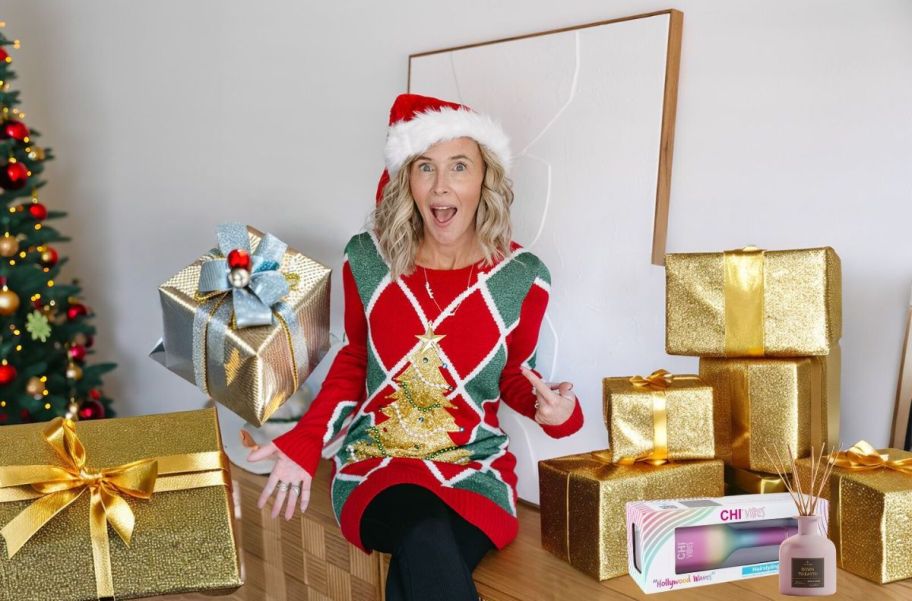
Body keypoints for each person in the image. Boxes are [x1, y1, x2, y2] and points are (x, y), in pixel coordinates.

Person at [248, 93, 584, 601]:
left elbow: (515, 375)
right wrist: (305, 441)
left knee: (424, 563)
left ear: (484, 181)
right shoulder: (368, 259)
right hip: (377, 461)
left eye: (459, 167)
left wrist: (556, 410)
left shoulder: (524, 278)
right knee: (425, 537)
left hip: (476, 466)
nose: (441, 184)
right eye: (426, 167)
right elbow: (355, 361)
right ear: (407, 179)